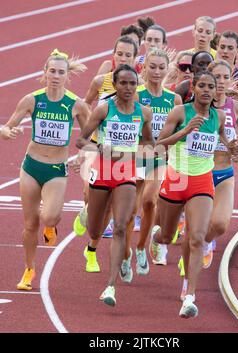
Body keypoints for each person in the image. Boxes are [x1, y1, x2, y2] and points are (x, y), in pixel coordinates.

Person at [150, 70, 238, 318]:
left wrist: (234, 148)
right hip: (177, 178)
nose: (207, 90)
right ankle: (157, 239)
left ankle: (189, 295)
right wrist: (185, 130)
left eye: (211, 86)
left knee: (197, 238)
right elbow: (160, 142)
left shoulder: (219, 117)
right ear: (195, 88)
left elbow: (225, 141)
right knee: (168, 236)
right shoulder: (180, 112)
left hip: (202, 182)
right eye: (202, 85)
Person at [0, 49, 90, 291]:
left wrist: (82, 154)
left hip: (56, 169)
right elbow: (5, 128)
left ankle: (51, 226)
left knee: (49, 217)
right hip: (31, 166)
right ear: (44, 73)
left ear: (67, 76)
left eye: (61, 72)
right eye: (52, 71)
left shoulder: (76, 104)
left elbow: (92, 138)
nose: (56, 76)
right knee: (30, 225)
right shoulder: (32, 100)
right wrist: (10, 132)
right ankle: (29, 269)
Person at [75, 64, 153, 306]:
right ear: (116, 85)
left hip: (126, 173)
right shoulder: (103, 109)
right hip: (102, 171)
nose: (128, 87)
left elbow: (150, 142)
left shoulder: (144, 113)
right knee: (96, 231)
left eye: (132, 83)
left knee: (120, 226)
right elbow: (81, 140)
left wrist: (143, 152)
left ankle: (110, 287)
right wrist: (98, 148)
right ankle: (88, 215)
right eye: (123, 83)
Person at [119, 49, 182, 283]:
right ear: (144, 69)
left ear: (168, 70)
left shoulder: (173, 100)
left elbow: (177, 132)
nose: (156, 72)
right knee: (127, 214)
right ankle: (125, 256)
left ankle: (141, 248)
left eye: (161, 67)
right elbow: (126, 126)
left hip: (159, 158)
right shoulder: (136, 96)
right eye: (152, 67)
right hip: (135, 157)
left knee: (149, 200)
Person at [73, 35, 138, 241]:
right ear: (113, 55)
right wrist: (88, 131)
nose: (123, 58)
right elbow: (85, 105)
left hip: (123, 150)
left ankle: (97, 234)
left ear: (135, 58)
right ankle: (88, 211)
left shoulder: (138, 85)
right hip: (97, 143)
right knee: (87, 192)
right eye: (119, 54)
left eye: (128, 55)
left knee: (111, 199)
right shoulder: (101, 81)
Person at [200, 60, 238, 269]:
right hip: (199, 172)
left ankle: (205, 241)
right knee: (198, 222)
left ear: (231, 81)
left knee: (219, 225)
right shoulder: (198, 106)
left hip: (224, 173)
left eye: (225, 77)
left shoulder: (235, 107)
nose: (221, 82)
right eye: (217, 77)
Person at [215, 30, 238, 120]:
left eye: (230, 48)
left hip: (229, 127)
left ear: (237, 50)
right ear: (217, 47)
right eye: (222, 47)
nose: (225, 51)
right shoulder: (208, 72)